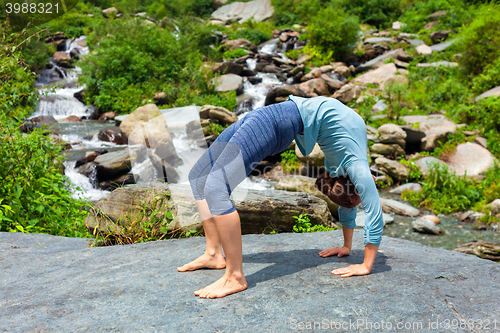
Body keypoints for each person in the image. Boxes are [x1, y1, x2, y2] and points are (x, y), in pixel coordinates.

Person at [177, 96, 384, 299]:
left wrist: (347, 247)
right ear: (357, 185)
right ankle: (214, 254)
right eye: (363, 194)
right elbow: (374, 213)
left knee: (215, 186)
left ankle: (234, 276)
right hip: (272, 120)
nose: (369, 189)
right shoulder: (357, 169)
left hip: (273, 118)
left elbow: (347, 206)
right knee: (200, 177)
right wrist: (366, 265)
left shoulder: (342, 170)